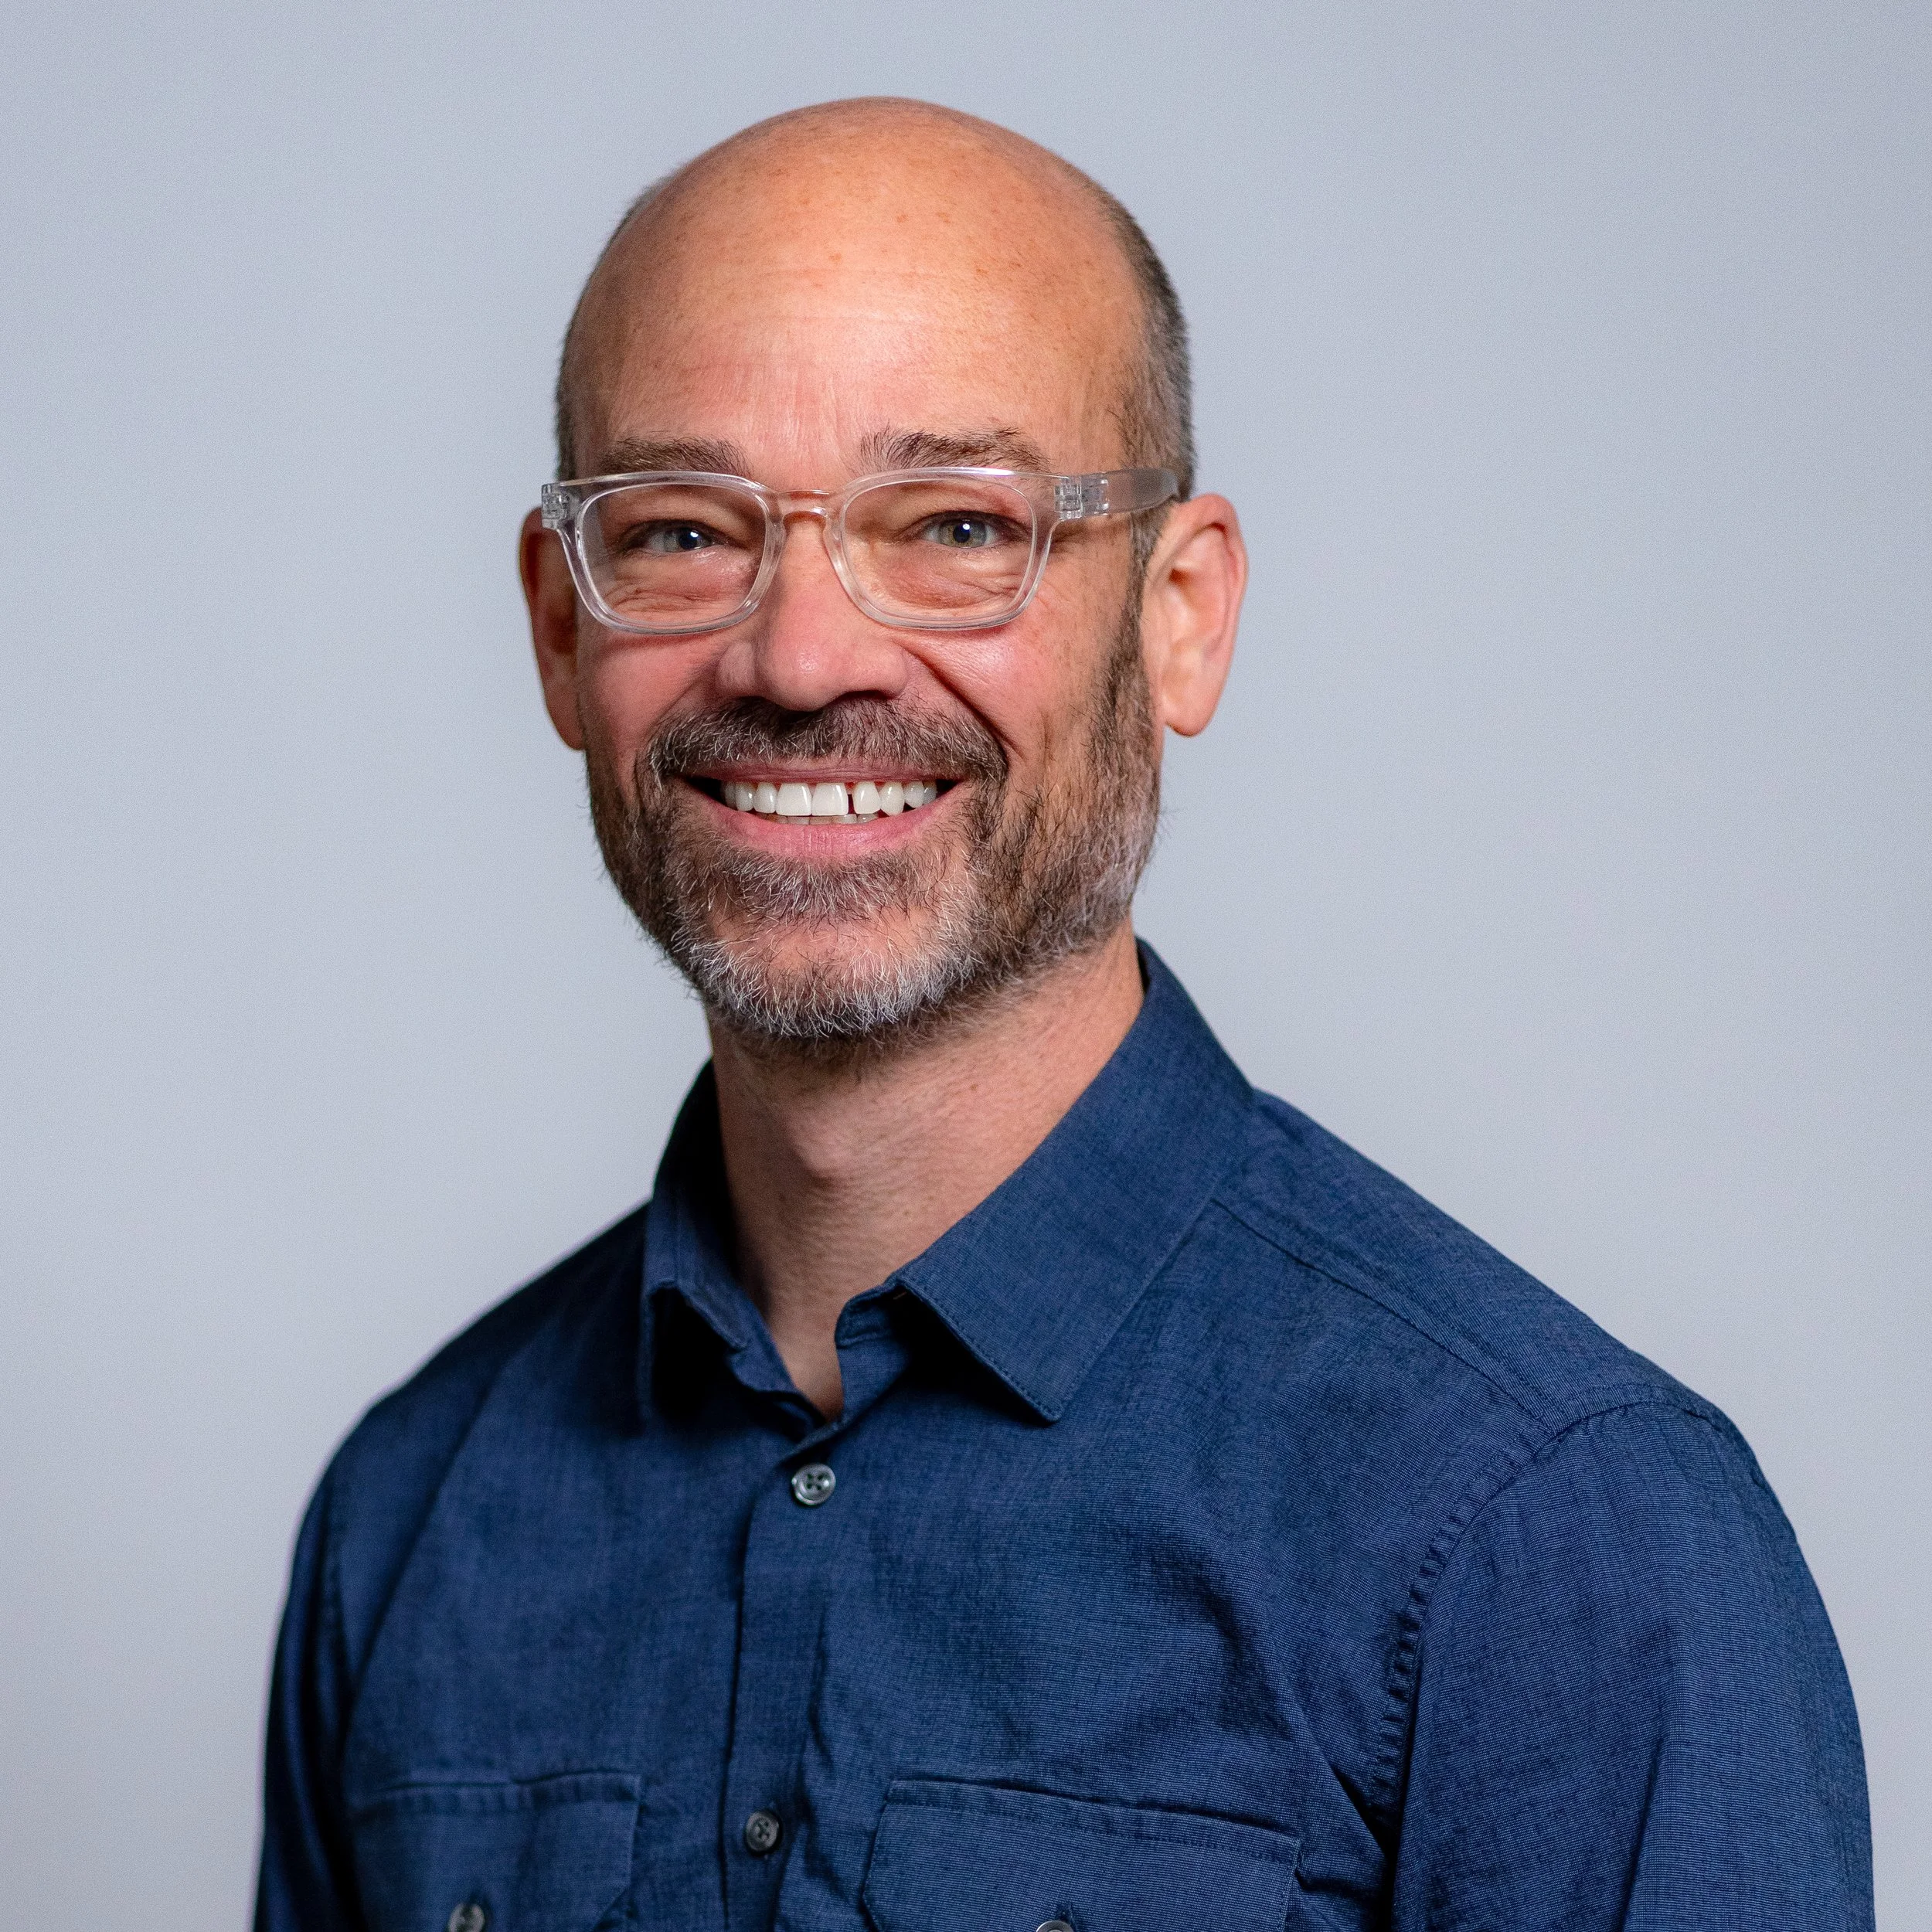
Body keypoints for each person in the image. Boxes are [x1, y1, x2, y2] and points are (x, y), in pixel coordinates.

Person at [255, 98, 1872, 1932]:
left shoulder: (1552, 1537)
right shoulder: (410, 1517)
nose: (799, 657)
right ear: (562, 627)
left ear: (1177, 617)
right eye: (686, 530)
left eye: (955, 522)